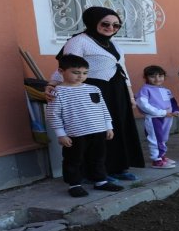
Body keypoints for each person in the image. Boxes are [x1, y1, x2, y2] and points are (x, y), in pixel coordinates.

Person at [50, 6, 144, 181]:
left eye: (116, 25)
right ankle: (96, 172)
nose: (111, 28)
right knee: (96, 131)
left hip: (117, 91)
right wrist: (53, 83)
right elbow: (68, 64)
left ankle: (117, 167)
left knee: (117, 129)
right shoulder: (79, 41)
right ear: (93, 22)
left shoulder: (114, 44)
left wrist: (130, 95)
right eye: (106, 23)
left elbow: (122, 69)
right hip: (91, 91)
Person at [44, 54, 125, 197]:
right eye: (76, 72)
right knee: (73, 159)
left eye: (84, 73)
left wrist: (108, 126)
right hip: (75, 134)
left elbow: (103, 108)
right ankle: (74, 184)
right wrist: (61, 134)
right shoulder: (57, 92)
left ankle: (100, 181)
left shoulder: (93, 89)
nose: (81, 76)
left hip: (98, 130)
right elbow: (53, 115)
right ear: (62, 71)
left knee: (98, 157)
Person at [135, 65, 179, 169]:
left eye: (160, 76)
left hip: (167, 118)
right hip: (154, 118)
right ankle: (156, 160)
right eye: (153, 76)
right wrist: (162, 112)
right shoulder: (145, 90)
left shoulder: (165, 90)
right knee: (155, 139)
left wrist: (176, 110)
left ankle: (161, 156)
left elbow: (172, 102)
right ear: (146, 77)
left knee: (163, 138)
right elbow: (143, 104)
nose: (157, 79)